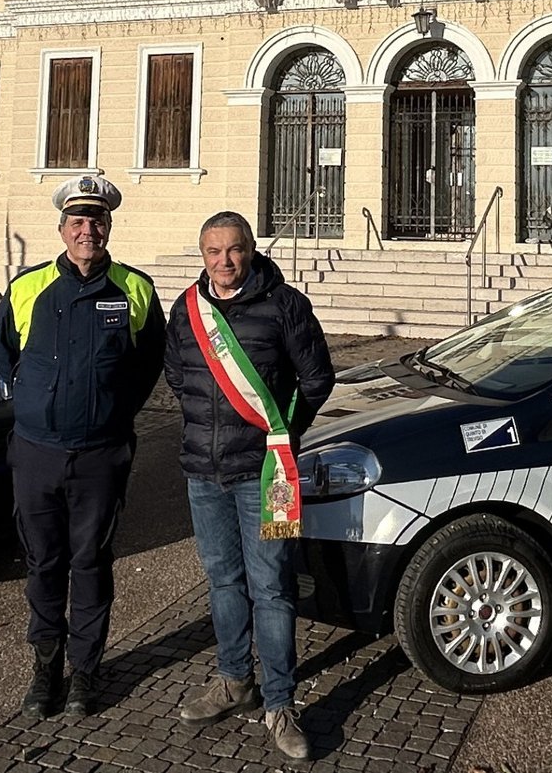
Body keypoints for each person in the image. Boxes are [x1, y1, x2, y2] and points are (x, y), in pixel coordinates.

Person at [0, 173, 166, 721]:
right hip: (37, 453)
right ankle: (46, 669)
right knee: (44, 563)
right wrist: (39, 405)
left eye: (96, 220)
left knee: (91, 562)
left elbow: (146, 366)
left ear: (109, 226)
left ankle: (86, 672)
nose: (87, 230)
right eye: (77, 221)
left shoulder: (135, 289)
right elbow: (6, 358)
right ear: (62, 229)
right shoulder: (27, 286)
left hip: (100, 454)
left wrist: (110, 411)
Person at [165, 210, 334, 763]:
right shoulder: (187, 311)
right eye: (213, 252)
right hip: (203, 474)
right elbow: (177, 375)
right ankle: (234, 679)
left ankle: (280, 702)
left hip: (268, 474)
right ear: (203, 255)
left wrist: (284, 434)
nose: (224, 261)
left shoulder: (285, 305)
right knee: (222, 582)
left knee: (273, 586)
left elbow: (317, 377)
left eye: (234, 250)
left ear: (252, 249)